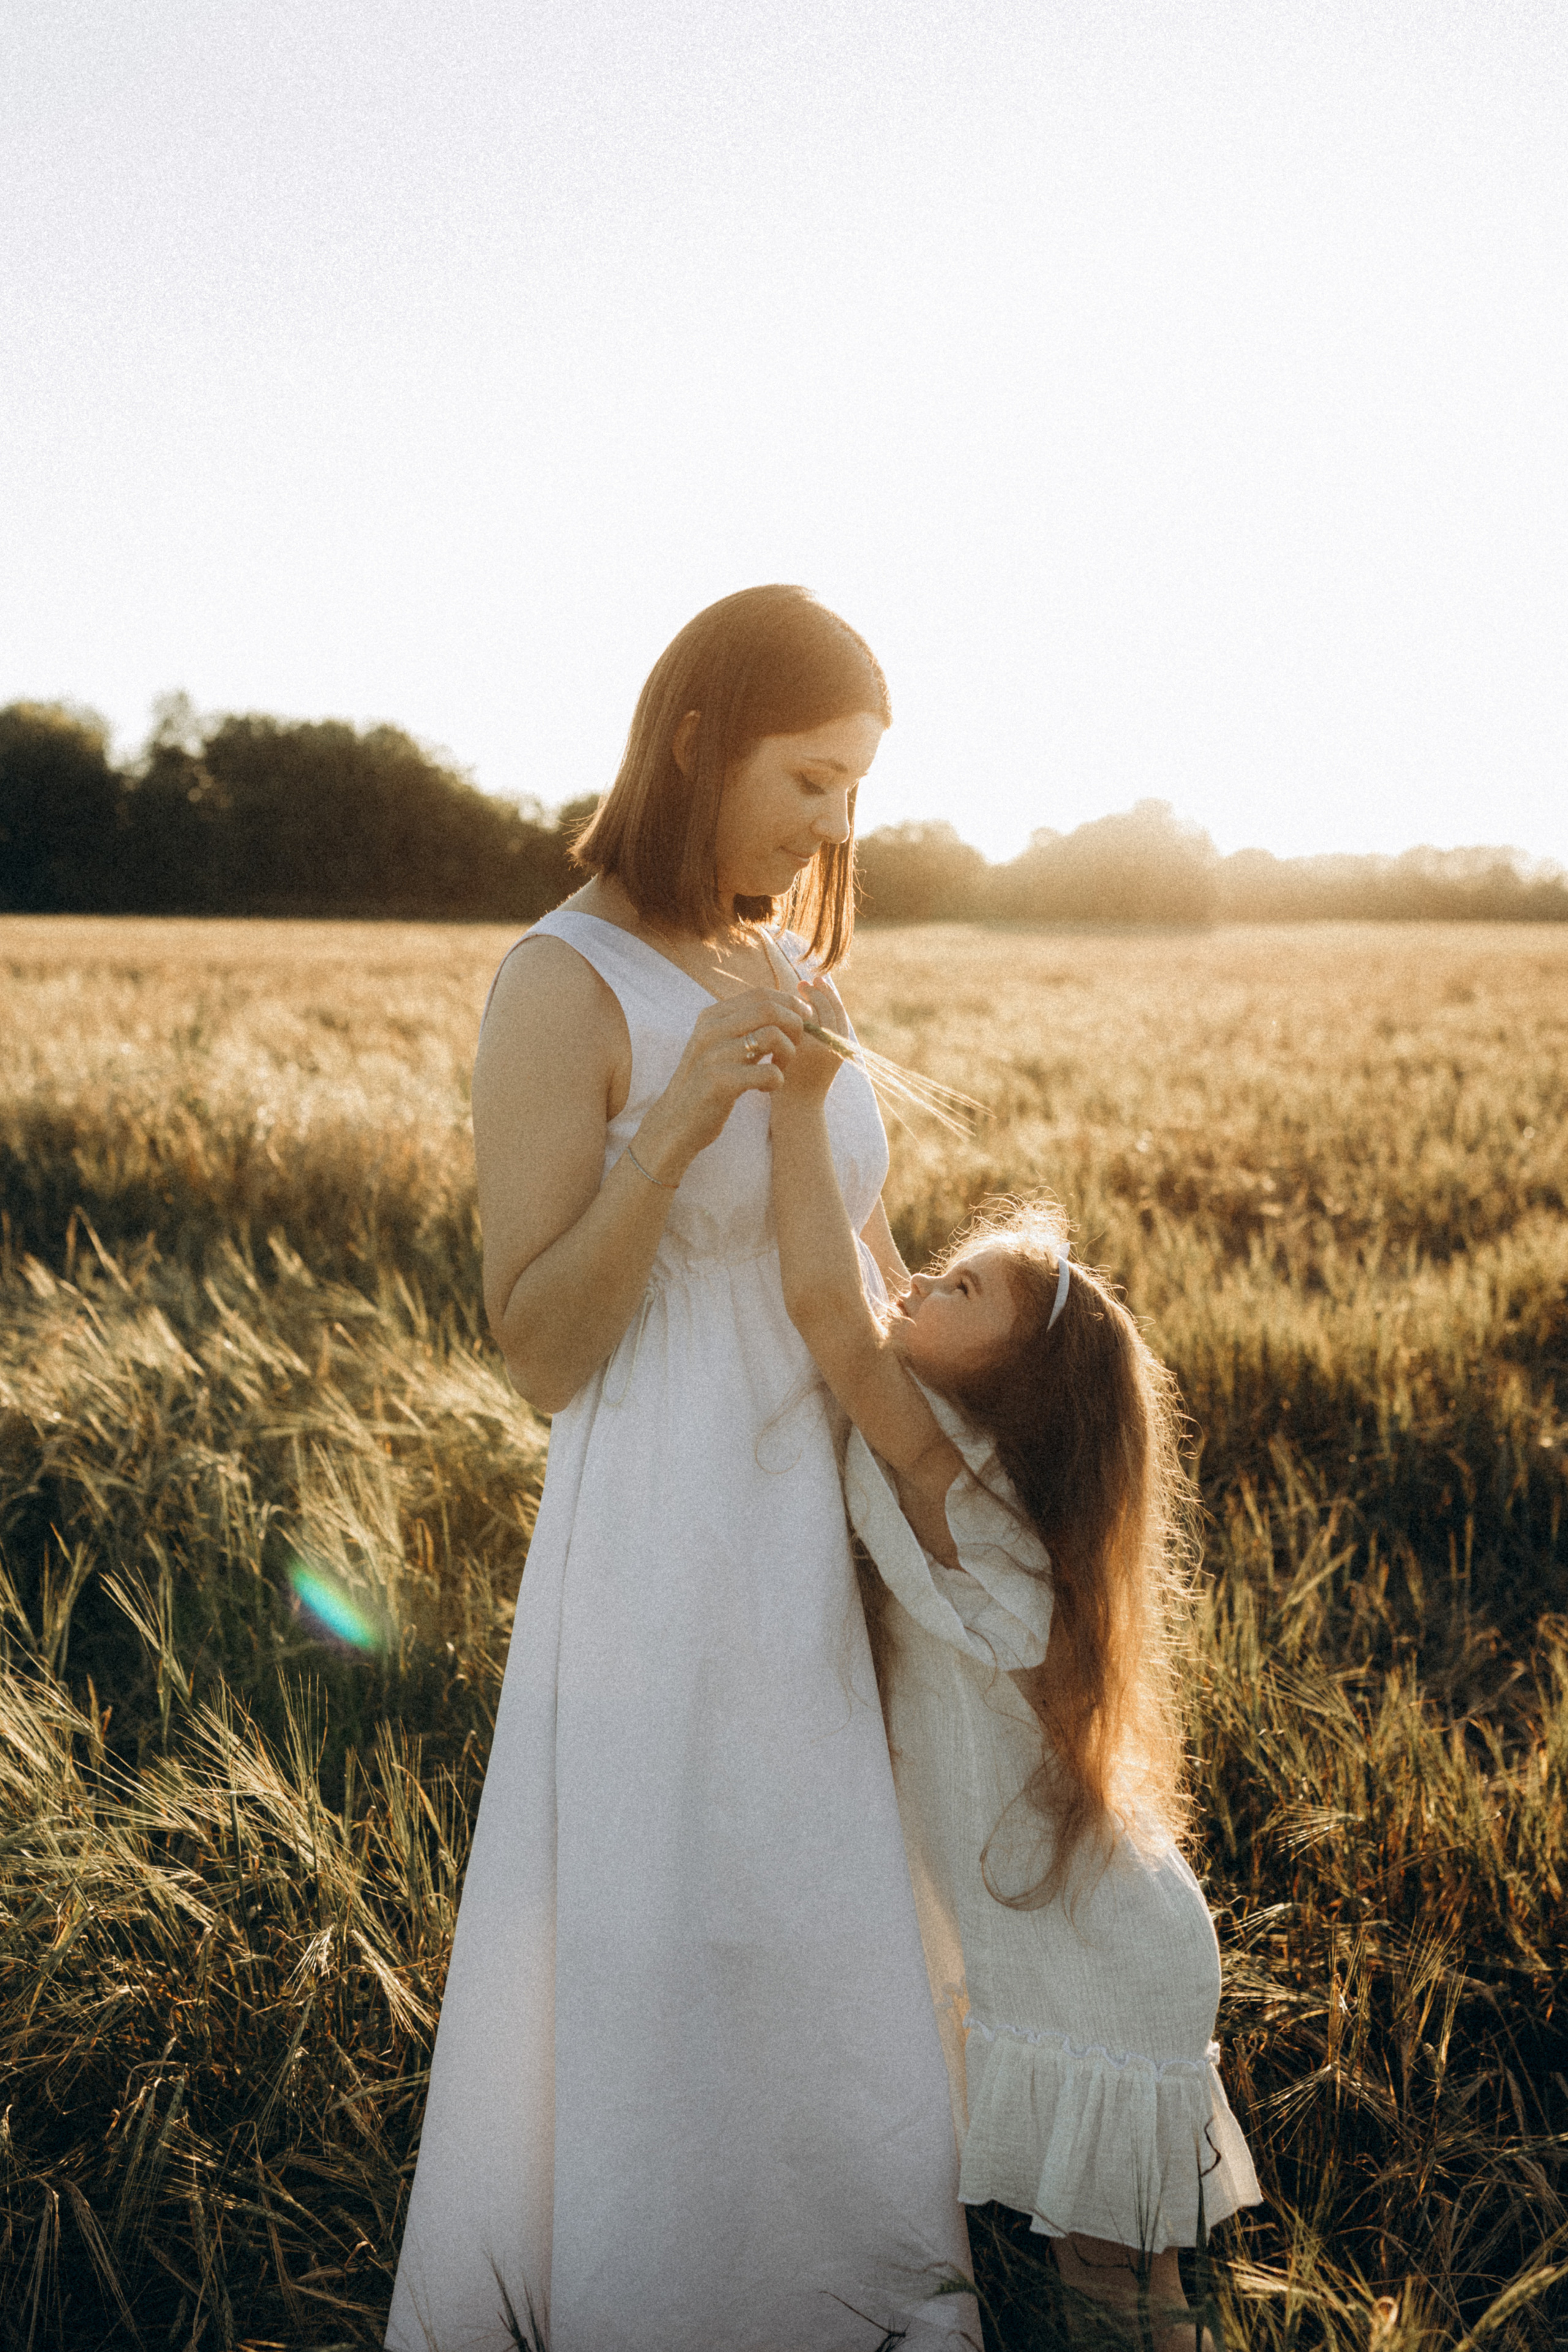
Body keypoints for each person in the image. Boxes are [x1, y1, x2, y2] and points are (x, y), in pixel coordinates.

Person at [385, 589, 975, 2352]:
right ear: (700, 744)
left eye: (858, 787)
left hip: (833, 1503)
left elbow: (860, 1251)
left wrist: (967, 1462)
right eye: (810, 779)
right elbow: (540, 1349)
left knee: (838, 1906)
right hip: (672, 1522)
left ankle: (866, 2287)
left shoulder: (785, 963)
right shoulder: (558, 981)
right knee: (690, 1915)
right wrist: (681, 1125)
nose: (837, 826)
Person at [766, 992, 1262, 2352]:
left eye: (962, 1290)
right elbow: (875, 1273)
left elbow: (829, 1307)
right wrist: (844, 1106)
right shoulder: (969, 1450)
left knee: (1112, 2290)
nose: (922, 1285)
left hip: (1094, 1958)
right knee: (1135, 2283)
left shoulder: (957, 1485)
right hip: (1117, 1932)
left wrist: (798, 1104)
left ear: (1015, 1386)